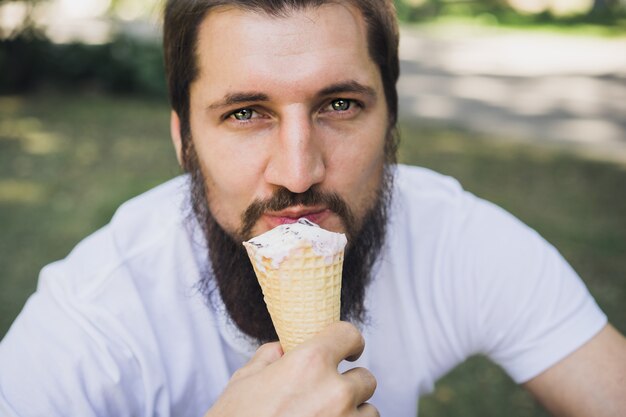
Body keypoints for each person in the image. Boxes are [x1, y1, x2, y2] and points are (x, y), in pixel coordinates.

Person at [1, 0, 625, 415]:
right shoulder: (94, 319)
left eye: (340, 105)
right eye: (246, 113)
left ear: (391, 120)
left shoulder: (458, 240)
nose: (299, 171)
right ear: (184, 141)